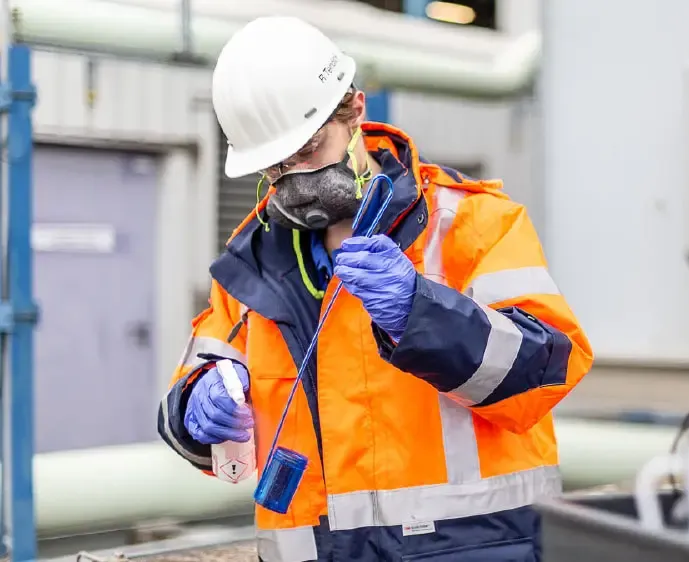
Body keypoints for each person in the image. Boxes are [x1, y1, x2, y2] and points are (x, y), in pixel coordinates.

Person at [156, 15, 593, 562]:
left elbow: (548, 371)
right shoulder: (253, 265)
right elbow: (189, 405)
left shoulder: (472, 224)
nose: (296, 179)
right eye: (275, 167)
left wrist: (421, 313)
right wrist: (197, 410)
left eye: (309, 150)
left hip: (474, 548)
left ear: (356, 112)